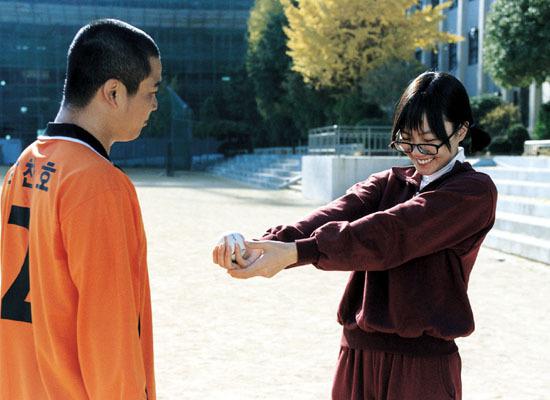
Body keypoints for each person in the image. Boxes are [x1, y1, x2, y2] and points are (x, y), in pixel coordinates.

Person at [213, 71, 497, 400]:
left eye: (428, 140)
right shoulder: (387, 183)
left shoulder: (473, 192)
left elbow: (392, 234)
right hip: (357, 354)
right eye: (406, 140)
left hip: (422, 366)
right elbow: (329, 215)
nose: (416, 151)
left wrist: (299, 252)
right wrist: (259, 245)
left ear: (461, 130)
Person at [0, 19, 161, 399]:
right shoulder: (100, 184)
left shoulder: (22, 165)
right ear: (114, 92)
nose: (155, 105)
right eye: (151, 91)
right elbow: (110, 335)